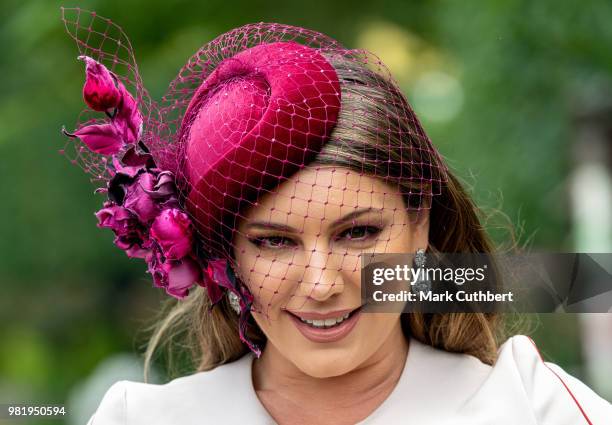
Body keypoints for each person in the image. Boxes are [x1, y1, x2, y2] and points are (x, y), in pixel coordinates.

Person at [59, 8, 611, 424]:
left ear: (420, 224)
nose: (322, 284)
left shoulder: (530, 406)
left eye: (359, 232)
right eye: (274, 242)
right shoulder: (146, 420)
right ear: (224, 256)